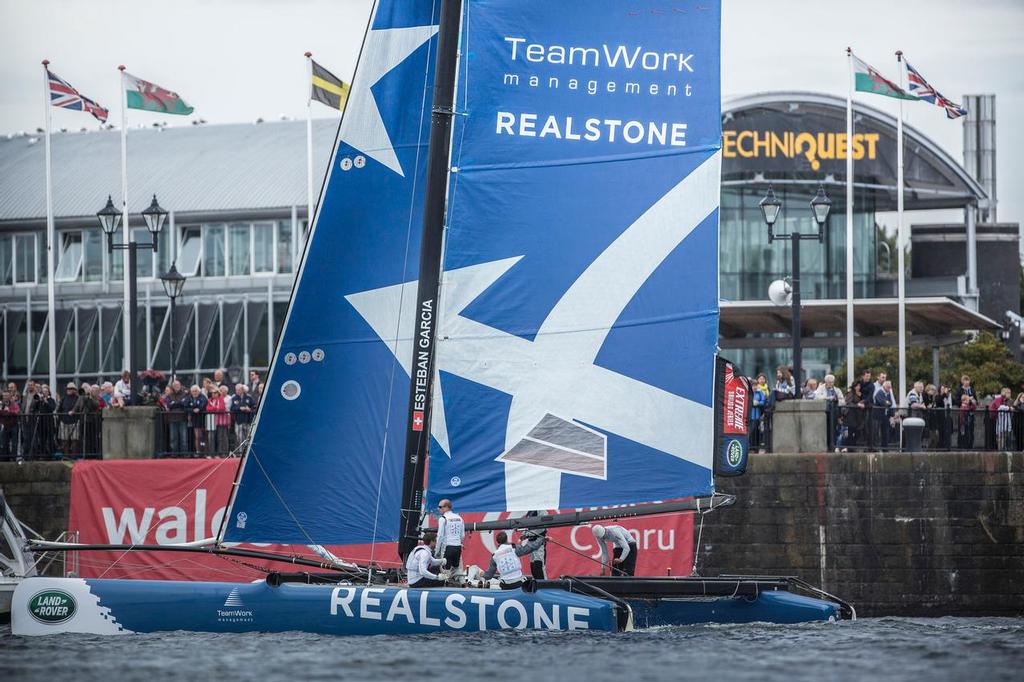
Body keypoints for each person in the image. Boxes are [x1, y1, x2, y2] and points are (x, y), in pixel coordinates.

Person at [482, 530, 547, 589]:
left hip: (505, 585)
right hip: (519, 583)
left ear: (497, 542)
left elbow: (489, 575)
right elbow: (530, 547)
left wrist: (482, 575)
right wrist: (542, 539)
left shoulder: (494, 555)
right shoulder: (513, 548)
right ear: (507, 539)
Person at [435, 498, 465, 573]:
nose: (438, 509)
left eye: (440, 507)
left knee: (445, 570)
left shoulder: (443, 518)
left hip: (447, 547)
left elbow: (440, 536)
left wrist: (437, 550)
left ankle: (446, 583)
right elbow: (462, 535)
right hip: (457, 547)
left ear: (446, 507)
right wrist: (459, 543)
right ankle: (461, 583)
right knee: (456, 569)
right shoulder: (459, 518)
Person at [182, 385, 208, 454]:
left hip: (203, 418)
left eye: (196, 391)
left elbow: (203, 404)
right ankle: (198, 451)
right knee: (197, 436)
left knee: (204, 436)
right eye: (193, 391)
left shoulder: (202, 397)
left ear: (199, 391)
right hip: (194, 419)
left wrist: (198, 408)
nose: (194, 393)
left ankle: (205, 451)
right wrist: (192, 410)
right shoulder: (189, 398)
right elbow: (185, 407)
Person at [58, 382, 81, 456]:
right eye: (68, 389)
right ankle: (66, 456)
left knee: (75, 440)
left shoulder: (78, 398)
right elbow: (59, 409)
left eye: (71, 389)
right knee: (64, 440)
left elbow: (80, 409)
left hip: (75, 421)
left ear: (74, 390)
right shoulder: (63, 398)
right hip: (64, 421)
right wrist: (61, 418)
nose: (69, 390)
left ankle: (73, 456)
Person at [0, 390, 21, 459]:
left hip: (14, 425)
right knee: (5, 442)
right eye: (4, 396)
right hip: (5, 425)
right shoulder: (1, 404)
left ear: (9, 396)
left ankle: (13, 458)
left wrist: (9, 411)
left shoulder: (14, 404)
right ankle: (5, 458)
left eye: (7, 396)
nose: (5, 397)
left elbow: (17, 412)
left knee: (14, 443)